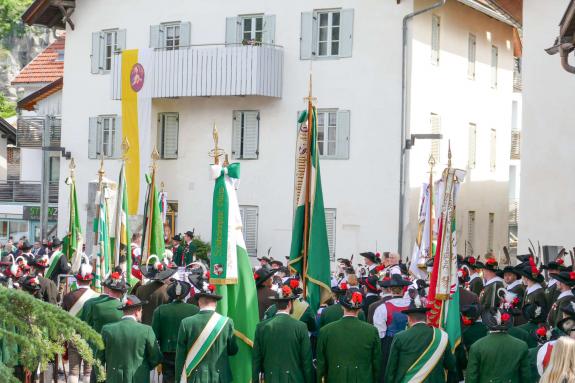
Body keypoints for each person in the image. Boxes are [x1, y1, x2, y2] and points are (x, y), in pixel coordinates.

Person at [175, 280, 238, 382]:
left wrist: (178, 378)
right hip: (220, 377)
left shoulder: (186, 323)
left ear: (199, 302)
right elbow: (233, 350)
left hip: (195, 377)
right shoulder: (227, 322)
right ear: (215, 303)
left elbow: (180, 356)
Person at [385, 294, 456, 383]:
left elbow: (391, 368)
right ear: (426, 318)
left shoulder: (400, 337)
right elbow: (451, 364)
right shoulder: (442, 335)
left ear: (409, 318)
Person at [316, 288, 382, 383]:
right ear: (359, 309)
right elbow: (377, 363)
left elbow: (321, 364)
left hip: (335, 378)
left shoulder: (325, 330)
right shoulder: (372, 331)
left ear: (342, 307)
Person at [252, 285, 313, 383]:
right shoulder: (301, 327)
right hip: (295, 379)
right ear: (289, 303)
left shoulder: (261, 327)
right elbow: (306, 361)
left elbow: (256, 359)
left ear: (276, 304)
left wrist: (255, 380)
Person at [99, 295, 162, 383]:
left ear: (124, 311)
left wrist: (102, 377)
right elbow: (156, 357)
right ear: (137, 311)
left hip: (113, 378)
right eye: (141, 311)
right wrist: (144, 368)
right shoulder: (146, 330)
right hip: (139, 377)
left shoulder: (107, 329)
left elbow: (98, 358)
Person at [152, 280, 199, 383]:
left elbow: (154, 336)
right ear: (185, 294)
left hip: (167, 353)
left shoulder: (160, 310)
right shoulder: (195, 310)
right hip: (188, 352)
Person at [61, 256, 99, 383]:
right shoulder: (97, 297)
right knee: (88, 370)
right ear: (91, 281)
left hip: (74, 337)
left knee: (73, 370)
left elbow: (63, 318)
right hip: (90, 338)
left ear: (77, 280)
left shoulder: (68, 296)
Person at [466, 308, 530, 383]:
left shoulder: (477, 346)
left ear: (488, 323)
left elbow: (471, 378)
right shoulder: (521, 346)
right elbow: (526, 376)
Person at [372, 274, 411, 381]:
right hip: (411, 342)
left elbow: (380, 333)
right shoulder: (413, 305)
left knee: (389, 372)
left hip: (390, 344)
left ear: (390, 289)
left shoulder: (382, 308)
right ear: (403, 289)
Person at [134, 256, 177, 325]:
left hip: (144, 326)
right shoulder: (170, 290)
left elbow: (136, 310)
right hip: (162, 328)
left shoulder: (140, 289)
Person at [516, 258, 548, 323]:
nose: (522, 278)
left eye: (522, 276)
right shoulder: (528, 289)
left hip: (534, 324)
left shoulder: (538, 292)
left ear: (527, 278)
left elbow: (542, 312)